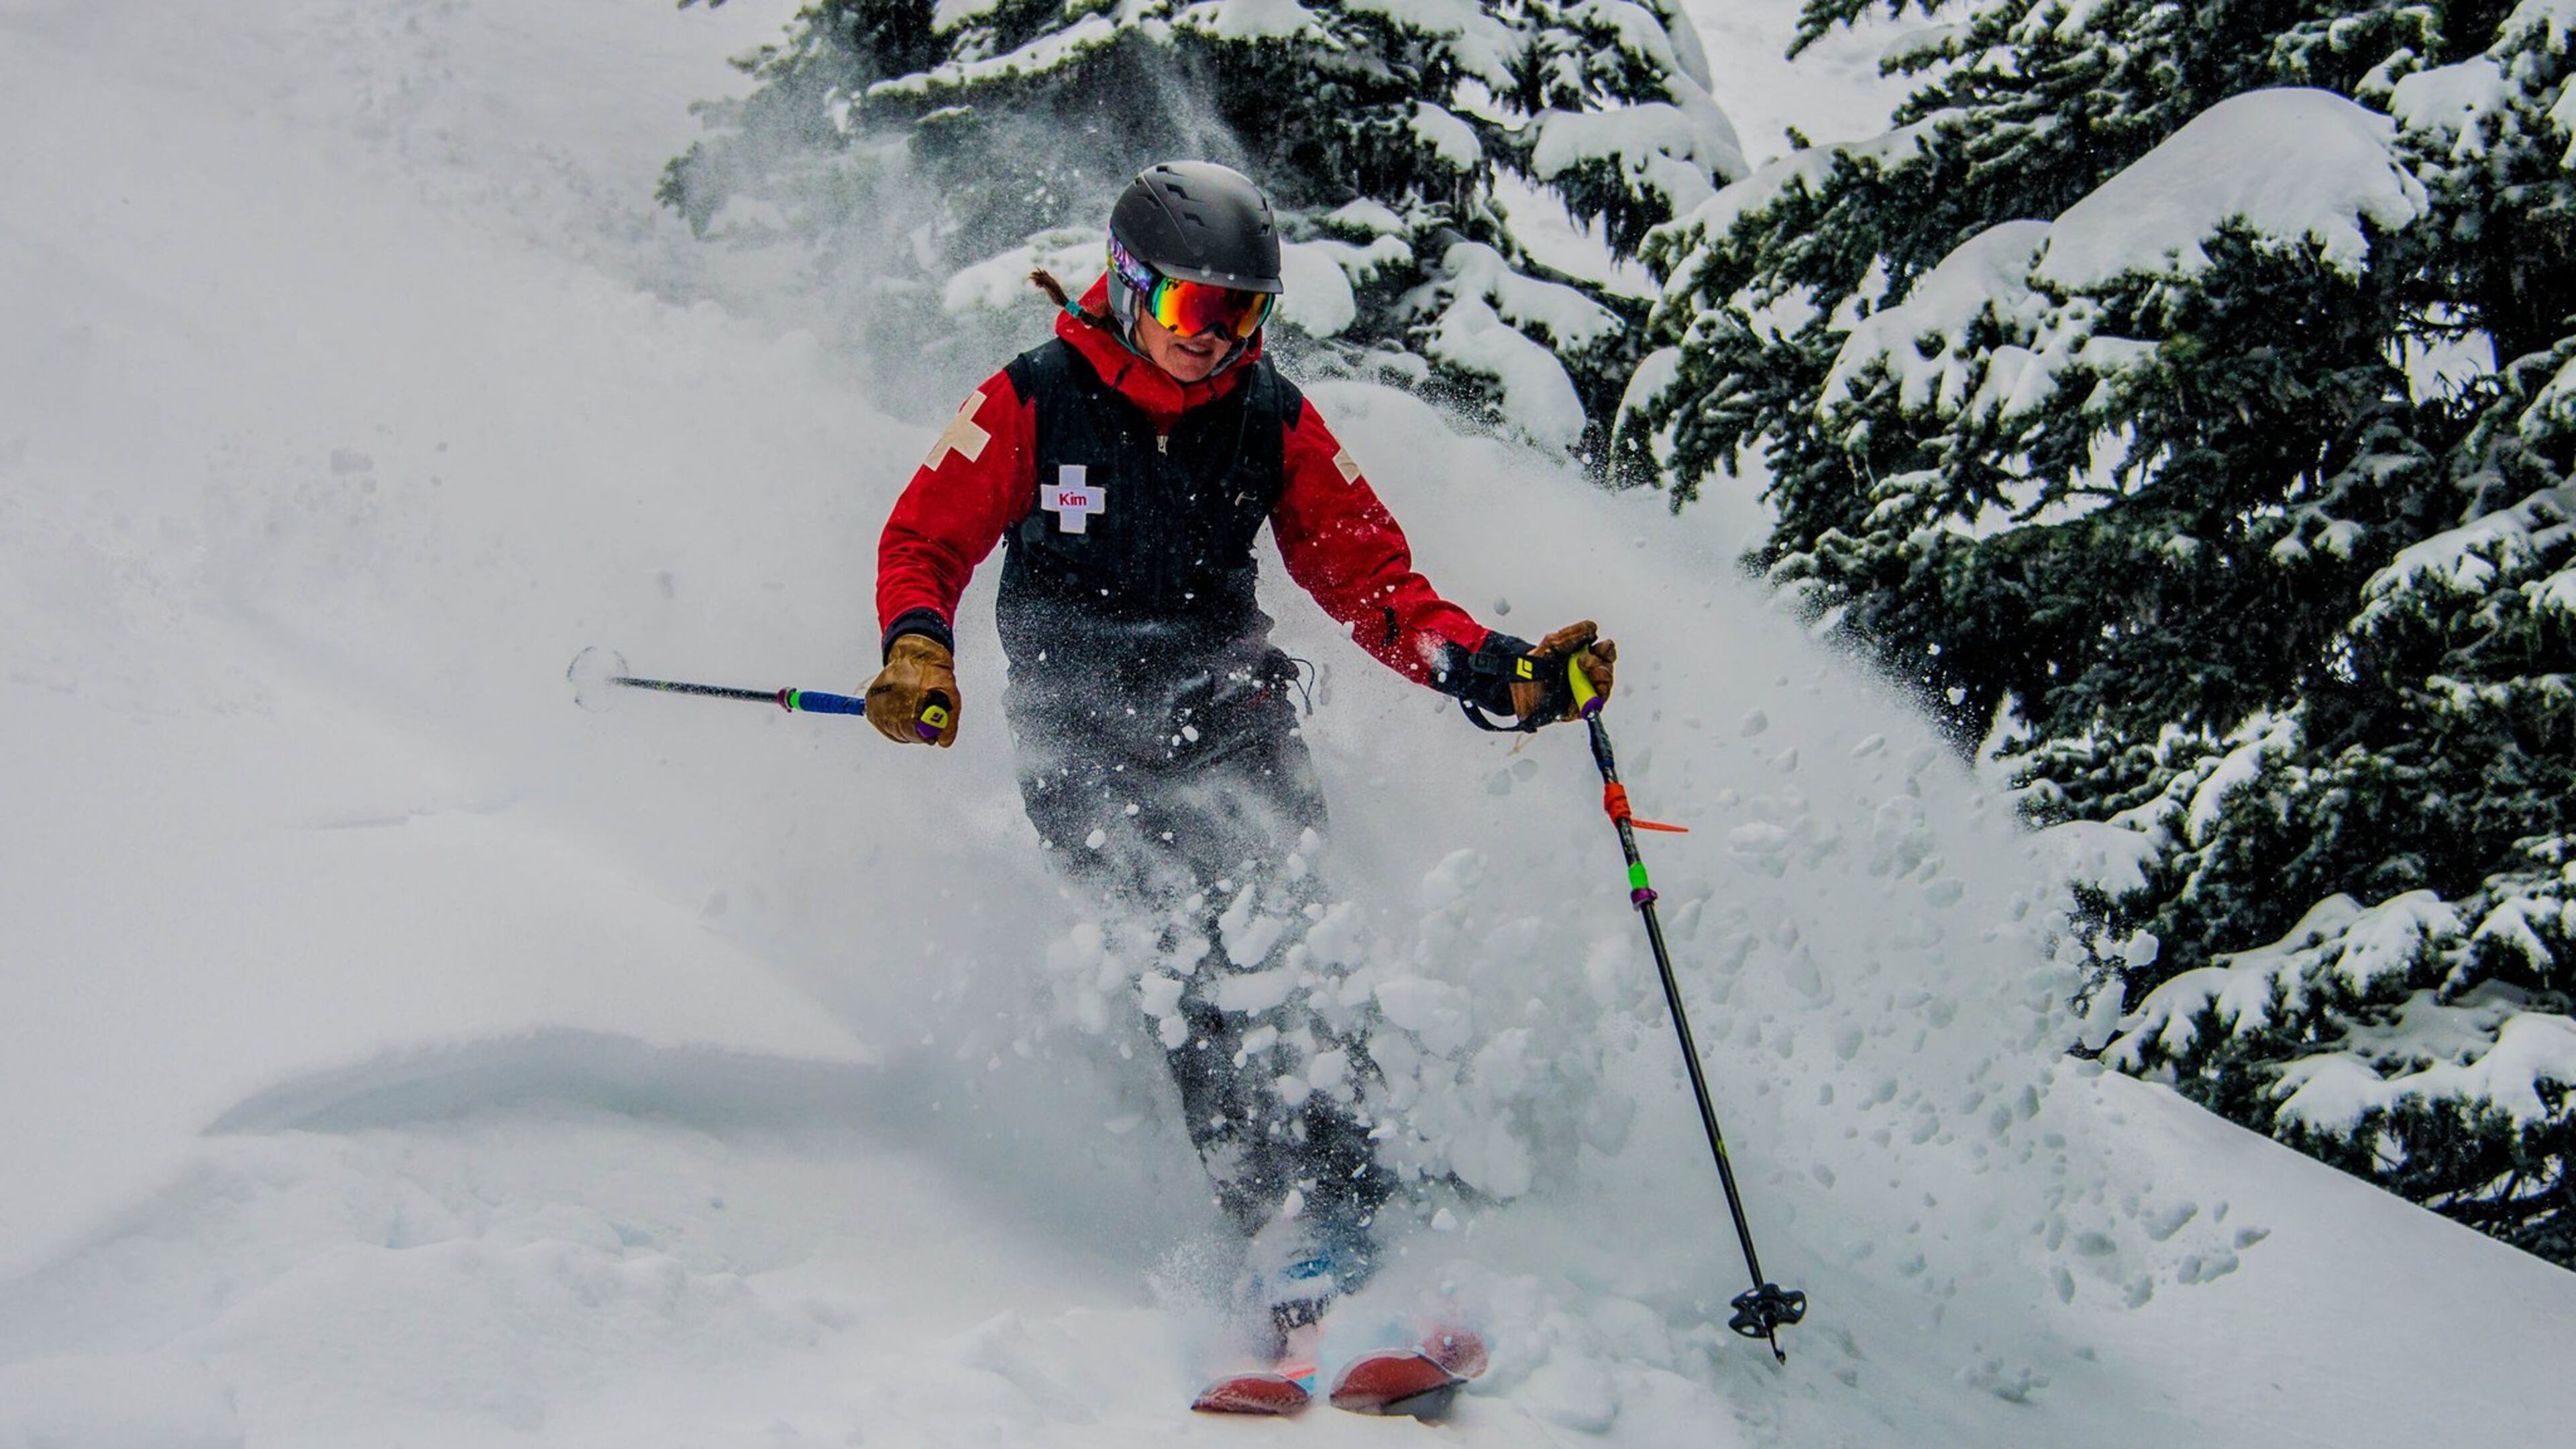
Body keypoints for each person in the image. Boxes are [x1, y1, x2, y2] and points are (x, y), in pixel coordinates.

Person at [863, 161, 1616, 1352]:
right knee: (1190, 963)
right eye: (1193, 312)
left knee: (1294, 937)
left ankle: (1372, 1197)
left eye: (1245, 315)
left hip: (1229, 712)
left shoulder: (1272, 417)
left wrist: (1497, 671)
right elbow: (924, 537)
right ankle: (1276, 1225)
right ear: (1127, 288)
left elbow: (1374, 581)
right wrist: (918, 650)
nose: (1217, 342)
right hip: (1084, 737)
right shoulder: (1031, 400)